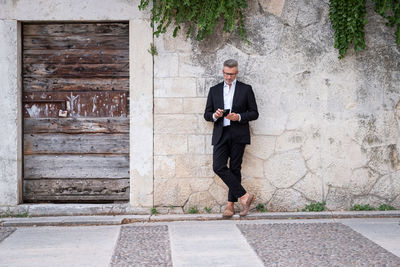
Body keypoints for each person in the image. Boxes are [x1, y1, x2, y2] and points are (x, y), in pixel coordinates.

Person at [204, 59, 259, 217]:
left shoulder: (246, 89)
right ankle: (244, 196)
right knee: (218, 166)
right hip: (221, 133)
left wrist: (239, 117)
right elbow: (206, 114)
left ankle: (230, 206)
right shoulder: (214, 90)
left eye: (232, 74)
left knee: (235, 169)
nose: (229, 77)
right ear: (223, 72)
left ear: (237, 73)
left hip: (238, 133)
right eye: (226, 74)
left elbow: (254, 113)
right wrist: (215, 115)